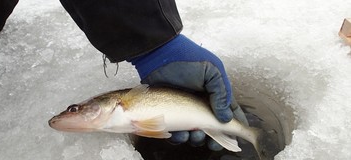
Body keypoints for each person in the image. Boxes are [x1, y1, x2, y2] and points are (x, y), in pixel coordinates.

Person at [59, 0, 248, 150]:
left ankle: (250, 134)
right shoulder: (113, 116)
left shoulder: (120, 104)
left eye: (75, 109)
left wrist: (157, 51)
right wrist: (153, 48)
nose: (74, 112)